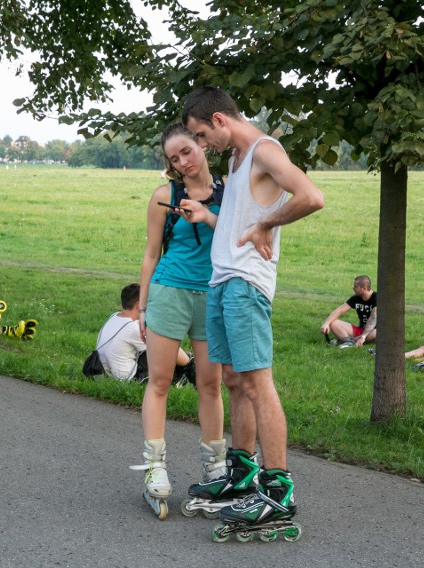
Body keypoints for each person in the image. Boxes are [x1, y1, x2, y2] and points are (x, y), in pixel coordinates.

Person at [180, 86, 324, 531]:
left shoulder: (263, 151)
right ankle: (243, 477)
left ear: (221, 120)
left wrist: (267, 222)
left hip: (246, 284)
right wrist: (209, 216)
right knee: (235, 381)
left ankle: (279, 492)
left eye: (202, 135)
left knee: (258, 383)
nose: (202, 146)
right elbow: (239, 218)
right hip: (222, 280)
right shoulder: (235, 160)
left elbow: (311, 196)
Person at [130, 123, 226, 520]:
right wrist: (142, 307)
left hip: (213, 295)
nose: (183, 162)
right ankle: (155, 466)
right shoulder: (163, 197)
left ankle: (216, 469)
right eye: (174, 158)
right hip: (169, 292)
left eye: (187, 151)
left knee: (210, 383)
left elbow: (239, 235)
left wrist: (206, 216)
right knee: (160, 381)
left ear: (202, 145)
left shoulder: (229, 190)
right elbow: (152, 254)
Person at [320, 275, 377, 348]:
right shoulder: (356, 298)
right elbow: (339, 310)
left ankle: (349, 341)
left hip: (373, 331)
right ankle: (348, 341)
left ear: (364, 288)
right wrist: (326, 323)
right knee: (332, 322)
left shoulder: (376, 298)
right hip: (360, 329)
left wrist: (363, 337)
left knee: (377, 333)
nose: (353, 288)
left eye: (356, 287)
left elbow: (373, 318)